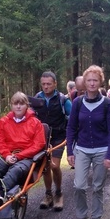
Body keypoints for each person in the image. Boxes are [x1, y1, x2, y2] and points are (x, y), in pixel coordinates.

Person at [66, 65, 110, 219]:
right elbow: (71, 128)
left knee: (97, 187)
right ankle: (82, 218)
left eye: (95, 80)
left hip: (102, 150)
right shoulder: (77, 103)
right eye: (89, 80)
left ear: (100, 81)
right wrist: (70, 152)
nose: (92, 83)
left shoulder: (107, 104)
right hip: (81, 149)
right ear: (84, 83)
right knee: (79, 186)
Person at [0, 92, 46, 208]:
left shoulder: (35, 123)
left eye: (21, 104)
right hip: (6, 156)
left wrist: (18, 156)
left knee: (15, 170)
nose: (18, 106)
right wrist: (6, 155)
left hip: (26, 158)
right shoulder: (3, 122)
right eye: (15, 104)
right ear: (11, 105)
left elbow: (38, 145)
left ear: (26, 105)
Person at [30, 71, 72, 211]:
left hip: (59, 137)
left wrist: (72, 135)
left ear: (55, 84)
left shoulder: (63, 100)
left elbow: (73, 118)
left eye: (49, 84)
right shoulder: (36, 98)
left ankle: (59, 193)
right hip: (41, 138)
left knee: (54, 166)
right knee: (45, 167)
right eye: (43, 84)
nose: (46, 87)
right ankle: (48, 195)